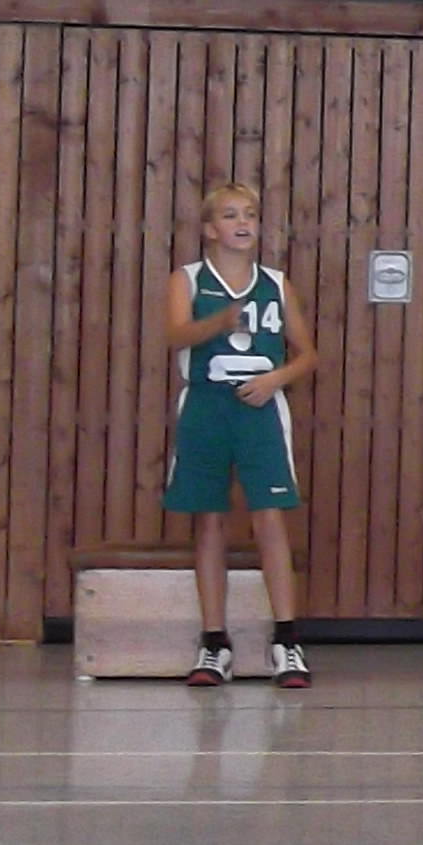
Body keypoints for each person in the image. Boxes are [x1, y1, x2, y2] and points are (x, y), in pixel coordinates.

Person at [161, 178, 316, 690]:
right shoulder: (187, 279)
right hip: (207, 404)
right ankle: (214, 643)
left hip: (261, 408)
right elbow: (175, 334)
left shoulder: (276, 283)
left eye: (249, 214)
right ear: (209, 229)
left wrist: (275, 379)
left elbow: (308, 354)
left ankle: (286, 642)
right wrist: (218, 322)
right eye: (230, 215)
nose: (242, 223)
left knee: (270, 517)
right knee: (210, 521)